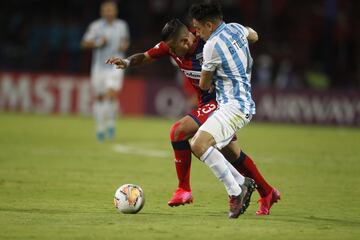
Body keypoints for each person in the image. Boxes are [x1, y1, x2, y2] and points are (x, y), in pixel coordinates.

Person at [106, 18, 279, 216]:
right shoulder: (172, 46)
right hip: (206, 103)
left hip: (222, 102)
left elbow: (239, 41)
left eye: (173, 48)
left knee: (179, 132)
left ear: (185, 41)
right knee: (232, 154)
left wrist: (247, 34)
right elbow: (146, 56)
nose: (170, 52)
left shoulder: (208, 44)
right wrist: (126, 61)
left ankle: (185, 189)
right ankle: (268, 192)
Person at [188, 1, 280, 218]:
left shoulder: (211, 46)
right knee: (228, 152)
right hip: (241, 103)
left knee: (198, 144)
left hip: (233, 106)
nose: (197, 33)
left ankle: (237, 188)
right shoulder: (237, 28)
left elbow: (203, 85)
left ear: (209, 25)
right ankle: (263, 190)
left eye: (198, 28)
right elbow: (254, 35)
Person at [81, 0, 130, 142]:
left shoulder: (122, 26)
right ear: (102, 12)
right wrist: (98, 42)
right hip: (99, 67)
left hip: (115, 66)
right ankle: (100, 128)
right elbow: (84, 43)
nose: (109, 13)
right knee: (99, 98)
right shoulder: (95, 27)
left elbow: (125, 41)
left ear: (115, 12)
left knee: (110, 94)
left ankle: (110, 124)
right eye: (106, 10)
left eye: (111, 10)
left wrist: (124, 46)